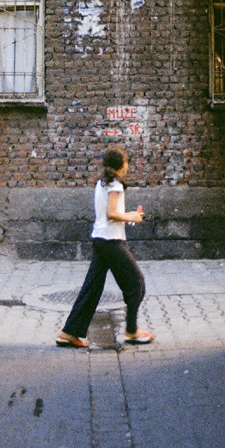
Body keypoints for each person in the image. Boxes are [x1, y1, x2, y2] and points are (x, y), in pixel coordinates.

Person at [56, 146, 155, 347]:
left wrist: (128, 217)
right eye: (127, 162)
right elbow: (111, 214)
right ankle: (132, 330)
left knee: (91, 288)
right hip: (111, 242)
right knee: (136, 282)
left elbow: (107, 214)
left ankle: (68, 333)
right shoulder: (116, 185)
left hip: (100, 239)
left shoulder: (102, 184)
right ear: (122, 165)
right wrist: (131, 216)